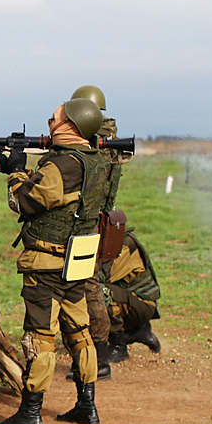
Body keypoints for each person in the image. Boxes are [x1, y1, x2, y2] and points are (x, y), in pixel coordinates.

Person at [0, 98, 111, 424]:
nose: (50, 121)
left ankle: (30, 412)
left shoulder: (64, 165)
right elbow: (59, 195)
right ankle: (87, 405)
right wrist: (17, 168)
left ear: (71, 125)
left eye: (56, 117)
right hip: (77, 260)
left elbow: (25, 201)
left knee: (41, 336)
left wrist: (14, 172)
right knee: (79, 332)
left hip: (48, 262)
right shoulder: (95, 160)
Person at [62, 85, 126, 381]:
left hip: (89, 223)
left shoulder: (96, 143)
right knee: (94, 282)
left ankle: (98, 356)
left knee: (87, 286)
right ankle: (108, 345)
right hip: (101, 221)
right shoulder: (109, 141)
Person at [100, 228, 162, 362]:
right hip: (132, 301)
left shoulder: (124, 243)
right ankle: (138, 330)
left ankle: (118, 346)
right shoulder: (108, 239)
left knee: (99, 291)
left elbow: (102, 277)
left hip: (142, 306)